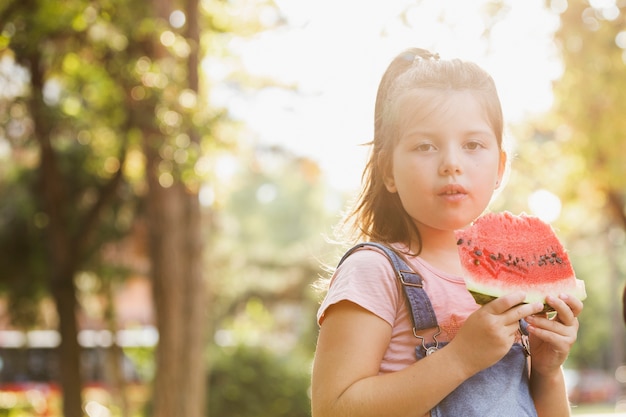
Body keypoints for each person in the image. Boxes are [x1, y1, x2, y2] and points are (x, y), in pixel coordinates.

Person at [311, 48, 583, 417]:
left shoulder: (510, 275)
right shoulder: (373, 271)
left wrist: (548, 371)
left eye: (473, 145)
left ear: (500, 166)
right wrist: (460, 358)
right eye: (425, 146)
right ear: (387, 170)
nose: (452, 164)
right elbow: (333, 408)